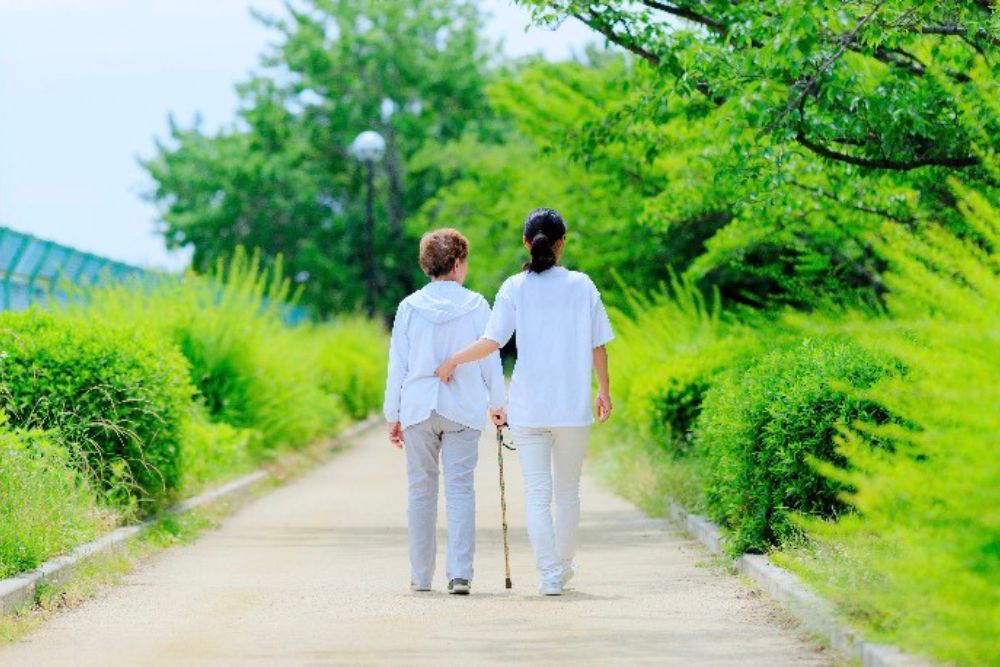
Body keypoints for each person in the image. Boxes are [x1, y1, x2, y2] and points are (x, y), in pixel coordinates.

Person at [435, 208, 613, 596]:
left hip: (529, 407)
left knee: (537, 494)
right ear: (562, 242)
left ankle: (550, 575)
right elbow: (598, 344)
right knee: (568, 493)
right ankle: (562, 567)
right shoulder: (582, 285)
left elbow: (491, 342)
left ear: (526, 243)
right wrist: (603, 391)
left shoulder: (515, 287)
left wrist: (452, 360)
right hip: (572, 407)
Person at [383, 228, 506, 596]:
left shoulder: (409, 307)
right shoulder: (476, 305)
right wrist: (497, 404)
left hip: (418, 407)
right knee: (460, 489)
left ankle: (421, 576)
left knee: (420, 491)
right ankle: (460, 575)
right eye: (464, 262)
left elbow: (397, 365)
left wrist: (393, 413)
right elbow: (490, 358)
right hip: (463, 407)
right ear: (456, 264)